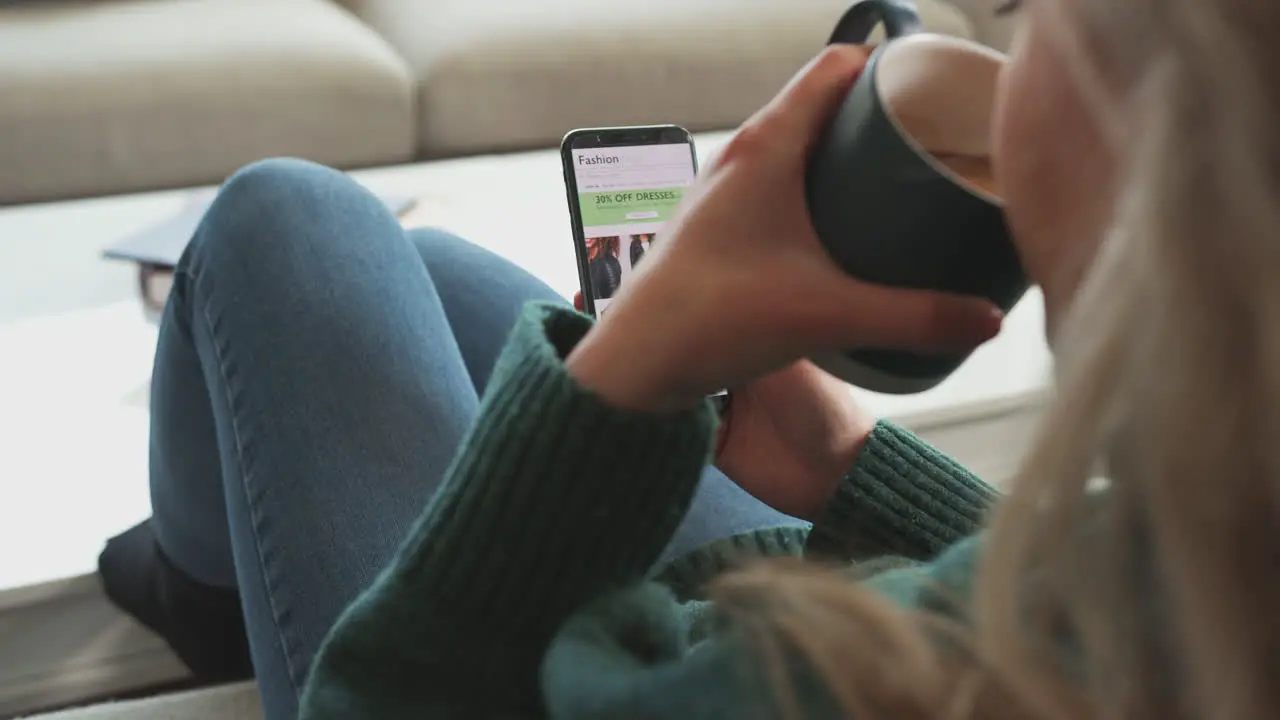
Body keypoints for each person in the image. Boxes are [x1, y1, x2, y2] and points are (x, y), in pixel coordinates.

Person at [96, 0, 1280, 715]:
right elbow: (1118, 607)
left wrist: (635, 375)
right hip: (799, 578)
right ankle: (213, 571)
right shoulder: (1215, 562)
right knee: (444, 276)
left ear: (1177, 136)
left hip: (518, 667)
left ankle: (208, 583)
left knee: (285, 223)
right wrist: (857, 465)